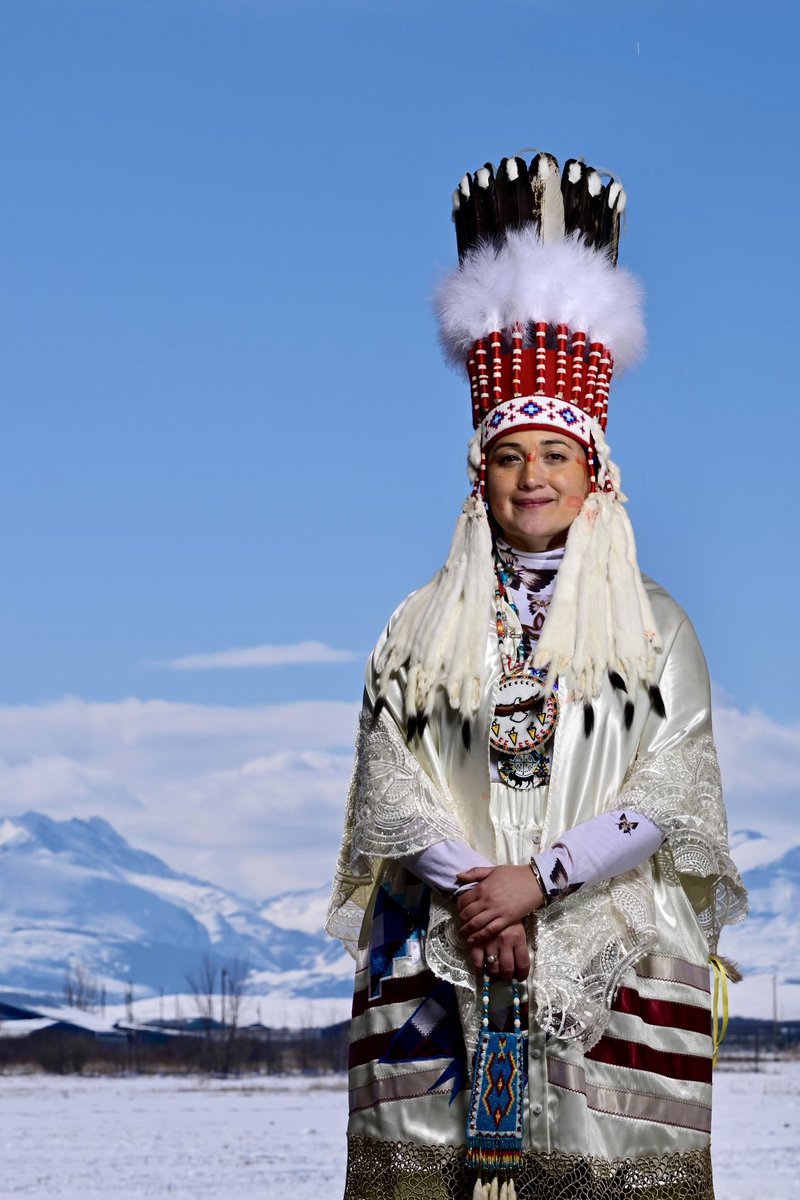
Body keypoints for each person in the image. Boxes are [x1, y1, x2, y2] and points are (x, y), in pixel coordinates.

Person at [327, 150, 747, 1200]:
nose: (532, 478)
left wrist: (538, 881)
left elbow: (671, 785)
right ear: (480, 474)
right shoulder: (419, 626)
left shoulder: (653, 628)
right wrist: (478, 892)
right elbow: (389, 775)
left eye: (555, 457)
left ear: (593, 473)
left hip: (608, 970)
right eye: (510, 456)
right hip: (439, 952)